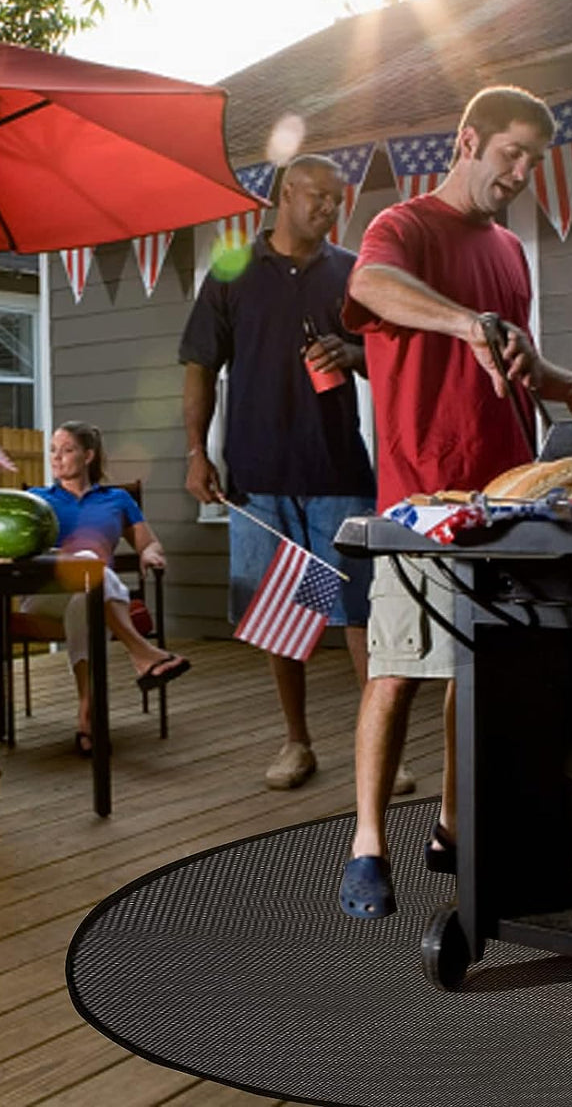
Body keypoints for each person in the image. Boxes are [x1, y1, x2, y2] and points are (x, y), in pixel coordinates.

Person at [336, 86, 572, 919]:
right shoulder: (405, 226)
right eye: (511, 155)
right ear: (468, 141)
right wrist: (464, 324)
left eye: (536, 161)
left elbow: (515, 355)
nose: (524, 173)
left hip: (507, 493)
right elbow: (375, 286)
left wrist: (568, 388)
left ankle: (456, 831)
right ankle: (366, 845)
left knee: (479, 667)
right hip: (422, 494)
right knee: (396, 670)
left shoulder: (509, 251)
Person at [181, 154, 415, 795]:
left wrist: (354, 352)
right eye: (319, 196)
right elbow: (200, 363)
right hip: (257, 472)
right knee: (279, 613)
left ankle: (382, 746)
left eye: (337, 200)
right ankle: (297, 741)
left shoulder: (351, 272)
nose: (329, 209)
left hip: (339, 467)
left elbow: (391, 358)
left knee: (361, 609)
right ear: (287, 194)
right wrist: (197, 452)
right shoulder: (231, 272)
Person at [24, 421, 191, 756]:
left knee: (89, 590)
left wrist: (151, 555)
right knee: (90, 563)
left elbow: (148, 544)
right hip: (45, 597)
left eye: (66, 450)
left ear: (88, 455)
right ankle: (141, 652)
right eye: (53, 450)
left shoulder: (117, 499)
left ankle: (88, 712)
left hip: (94, 595)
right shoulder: (36, 500)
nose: (56, 458)